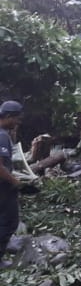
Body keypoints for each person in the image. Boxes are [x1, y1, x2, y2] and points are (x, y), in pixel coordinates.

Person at [0, 101, 24, 260]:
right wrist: (16, 182)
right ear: (8, 116)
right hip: (3, 187)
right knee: (9, 221)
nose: (18, 122)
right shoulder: (2, 136)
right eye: (16, 119)